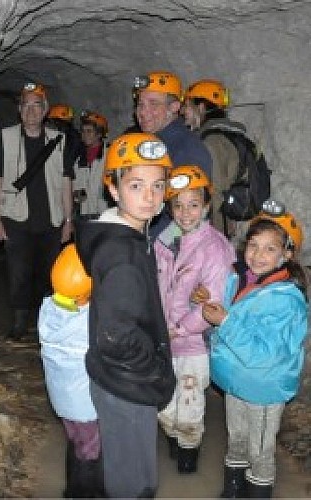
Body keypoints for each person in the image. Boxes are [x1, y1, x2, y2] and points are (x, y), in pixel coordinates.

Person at [75, 132, 176, 498]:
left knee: (126, 470)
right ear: (114, 190)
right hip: (127, 383)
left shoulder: (127, 237)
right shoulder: (123, 253)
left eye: (157, 185)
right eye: (136, 185)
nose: (150, 196)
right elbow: (115, 337)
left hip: (116, 380)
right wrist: (152, 371)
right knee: (134, 484)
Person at [195, 199, 308, 498]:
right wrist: (209, 303)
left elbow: (266, 352)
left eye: (270, 248)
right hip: (236, 380)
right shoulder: (240, 278)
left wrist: (226, 322)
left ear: (286, 255)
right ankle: (233, 488)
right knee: (238, 437)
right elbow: (236, 316)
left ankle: (258, 492)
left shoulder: (286, 300)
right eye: (253, 245)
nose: (258, 255)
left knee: (260, 449)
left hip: (263, 386)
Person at [154, 165, 235, 474]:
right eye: (178, 205)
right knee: (165, 400)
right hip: (165, 336)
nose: (185, 213)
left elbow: (211, 305)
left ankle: (188, 457)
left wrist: (178, 328)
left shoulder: (214, 249)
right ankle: (175, 442)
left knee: (189, 403)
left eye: (193, 204)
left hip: (192, 343)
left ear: (207, 206)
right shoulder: (168, 237)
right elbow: (155, 277)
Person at [0, 82, 74, 340]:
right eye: (26, 105)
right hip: (15, 218)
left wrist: (68, 220)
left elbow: (67, 181)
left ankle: (47, 324)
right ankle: (19, 322)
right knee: (19, 273)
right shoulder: (6, 137)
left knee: (50, 276)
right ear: (19, 110)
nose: (32, 111)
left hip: (51, 220)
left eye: (37, 105)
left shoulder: (59, 141)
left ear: (46, 110)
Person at [38, 243, 103, 498]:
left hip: (62, 401)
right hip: (85, 403)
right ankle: (84, 492)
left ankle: (74, 487)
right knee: (90, 449)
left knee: (76, 441)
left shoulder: (48, 310)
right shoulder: (88, 321)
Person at [133, 71, 213, 237]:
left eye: (154, 104)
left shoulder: (187, 149)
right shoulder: (151, 145)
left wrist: (156, 249)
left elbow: (187, 216)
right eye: (140, 104)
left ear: (174, 107)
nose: (143, 112)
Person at [181, 79, 248, 238]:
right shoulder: (230, 135)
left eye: (188, 106)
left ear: (201, 107)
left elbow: (216, 191)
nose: (183, 111)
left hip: (218, 224)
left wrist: (214, 235)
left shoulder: (212, 142)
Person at [72, 110, 111, 220]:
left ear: (99, 134)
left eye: (89, 131)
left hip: (106, 214)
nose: (85, 135)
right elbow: (74, 187)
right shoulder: (79, 160)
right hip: (84, 215)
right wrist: (76, 194)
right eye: (83, 131)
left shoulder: (109, 156)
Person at [47, 103, 83, 169]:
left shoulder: (70, 138)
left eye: (52, 122)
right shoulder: (71, 135)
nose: (50, 125)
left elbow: (65, 162)